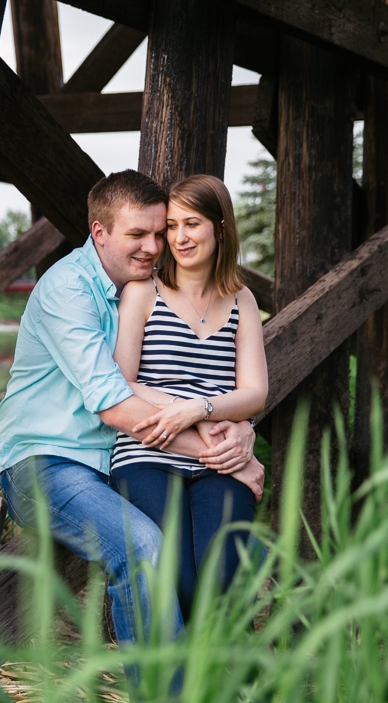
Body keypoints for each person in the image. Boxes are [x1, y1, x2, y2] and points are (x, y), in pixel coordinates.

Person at [0, 170, 262, 650]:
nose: (156, 245)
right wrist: (225, 452)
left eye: (158, 233)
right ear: (100, 233)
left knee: (213, 560)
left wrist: (242, 431)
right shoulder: (69, 291)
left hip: (103, 467)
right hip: (47, 464)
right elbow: (116, 403)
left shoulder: (132, 291)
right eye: (137, 234)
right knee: (144, 547)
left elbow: (173, 385)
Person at [110, 174, 268, 624]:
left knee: (220, 579)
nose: (178, 238)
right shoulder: (144, 293)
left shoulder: (243, 301)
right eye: (171, 226)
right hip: (147, 453)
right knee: (177, 576)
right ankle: (186, 684)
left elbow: (255, 392)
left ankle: (206, 683)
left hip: (220, 461)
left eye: (191, 224)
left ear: (220, 227)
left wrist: (203, 408)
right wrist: (189, 411)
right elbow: (120, 381)